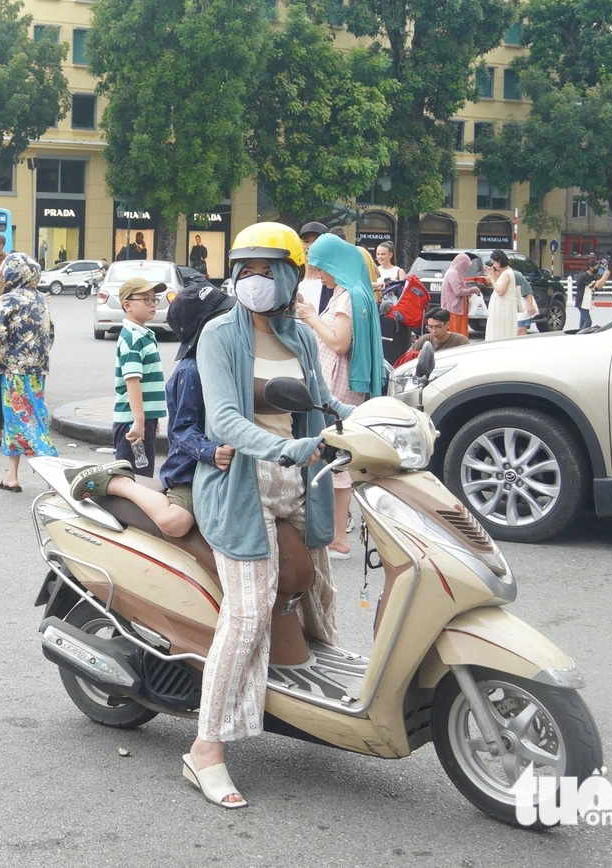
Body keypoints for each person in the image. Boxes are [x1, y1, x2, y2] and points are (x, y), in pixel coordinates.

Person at [185, 222, 346, 809]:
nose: (253, 281)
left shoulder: (301, 337)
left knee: (320, 589)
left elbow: (320, 404)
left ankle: (319, 708)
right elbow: (223, 419)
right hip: (240, 482)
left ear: (290, 275)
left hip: (296, 477)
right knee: (248, 613)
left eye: (264, 270)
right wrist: (285, 448)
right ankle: (206, 749)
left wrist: (364, 419)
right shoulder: (218, 336)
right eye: (244, 270)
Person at [66, 284, 236, 538]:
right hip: (193, 467)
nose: (233, 321)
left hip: (223, 462)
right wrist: (211, 451)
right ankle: (120, 483)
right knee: (175, 522)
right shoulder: (190, 371)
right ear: (203, 329)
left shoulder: (233, 358)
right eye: (223, 316)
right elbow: (180, 428)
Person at [298, 233, 384, 559]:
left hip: (338, 383)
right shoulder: (351, 293)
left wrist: (309, 318)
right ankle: (336, 534)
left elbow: (338, 342)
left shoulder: (347, 296)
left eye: (321, 268)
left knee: (338, 461)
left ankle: (338, 539)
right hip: (338, 380)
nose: (319, 275)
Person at [0, 253, 57, 492]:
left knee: (28, 423)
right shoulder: (40, 300)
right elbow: (50, 335)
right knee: (16, 421)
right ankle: (11, 476)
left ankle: (55, 474)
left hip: (14, 371)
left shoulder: (8, 300)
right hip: (37, 371)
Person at [112, 277, 167, 477]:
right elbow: (132, 381)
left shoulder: (142, 334)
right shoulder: (133, 339)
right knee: (134, 479)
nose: (152, 304)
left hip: (140, 419)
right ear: (127, 305)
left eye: (154, 299)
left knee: (142, 474)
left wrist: (150, 417)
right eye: (146, 300)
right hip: (131, 422)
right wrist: (139, 420)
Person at [437, 252, 477, 336]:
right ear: (461, 264)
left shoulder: (454, 273)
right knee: (456, 333)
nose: (465, 269)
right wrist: (471, 290)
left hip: (456, 309)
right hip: (454, 309)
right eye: (465, 266)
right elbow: (458, 291)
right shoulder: (453, 273)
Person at [484, 250, 521, 341]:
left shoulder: (507, 273)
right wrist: (492, 274)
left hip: (502, 308)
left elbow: (500, 291)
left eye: (494, 263)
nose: (493, 266)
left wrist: (491, 279)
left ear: (499, 261)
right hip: (501, 306)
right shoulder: (507, 272)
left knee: (499, 332)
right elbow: (500, 284)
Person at [580, 258, 607, 329]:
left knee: (583, 321)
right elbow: (597, 285)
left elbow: (599, 286)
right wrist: (605, 276)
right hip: (582, 302)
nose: (597, 269)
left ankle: (579, 334)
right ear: (590, 267)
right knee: (588, 321)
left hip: (586, 302)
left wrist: (605, 275)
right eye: (596, 268)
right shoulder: (584, 276)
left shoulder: (590, 276)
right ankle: (581, 336)